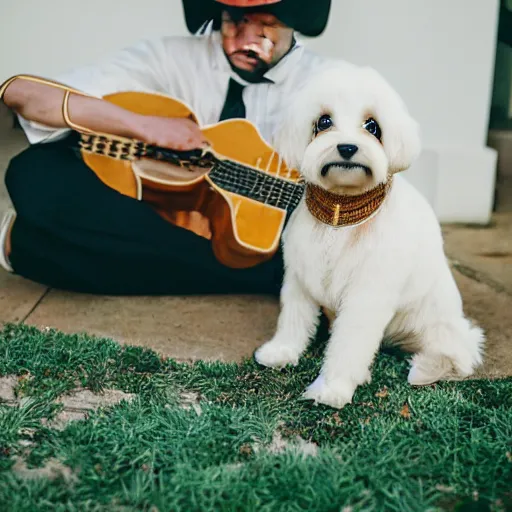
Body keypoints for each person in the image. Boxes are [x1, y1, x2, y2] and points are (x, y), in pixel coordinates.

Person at [0, 0, 331, 296]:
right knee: (34, 172)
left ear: (293, 21)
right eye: (234, 22)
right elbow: (23, 94)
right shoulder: (171, 57)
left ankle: (36, 249)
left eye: (266, 26)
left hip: (226, 234)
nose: (246, 40)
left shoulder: (331, 85)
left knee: (307, 243)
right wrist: (144, 125)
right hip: (144, 211)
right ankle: (274, 279)